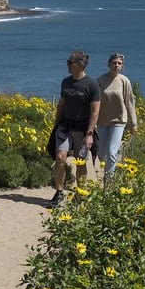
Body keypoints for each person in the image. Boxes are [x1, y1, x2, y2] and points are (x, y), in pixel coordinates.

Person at [48, 50, 100, 208]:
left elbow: (95, 111)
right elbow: (61, 104)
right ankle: (59, 192)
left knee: (80, 162)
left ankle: (81, 193)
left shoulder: (92, 85)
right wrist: (56, 125)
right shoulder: (66, 82)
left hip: (83, 129)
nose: (67, 65)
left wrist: (90, 134)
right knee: (60, 158)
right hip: (65, 127)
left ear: (79, 65)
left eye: (70, 63)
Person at [95, 52, 138, 186]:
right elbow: (95, 101)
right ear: (109, 64)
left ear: (122, 66)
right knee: (102, 154)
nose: (116, 65)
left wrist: (133, 123)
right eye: (114, 63)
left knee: (111, 152)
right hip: (102, 120)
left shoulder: (124, 81)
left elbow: (129, 102)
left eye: (119, 63)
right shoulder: (100, 80)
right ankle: (113, 162)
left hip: (119, 120)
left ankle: (108, 183)